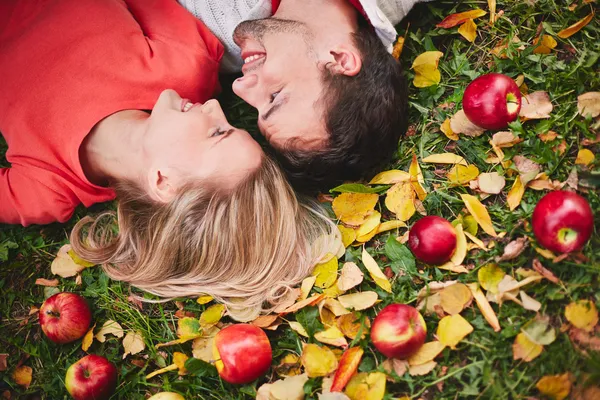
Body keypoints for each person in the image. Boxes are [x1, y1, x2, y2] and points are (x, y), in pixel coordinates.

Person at [0, 0, 335, 320]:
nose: (217, 107)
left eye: (217, 133)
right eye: (228, 125)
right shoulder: (187, 65)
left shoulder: (45, 188)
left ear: (163, 181)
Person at [180, 0, 427, 192]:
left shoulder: (211, 36)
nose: (239, 88)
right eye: (274, 96)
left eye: (258, 109)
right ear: (340, 60)